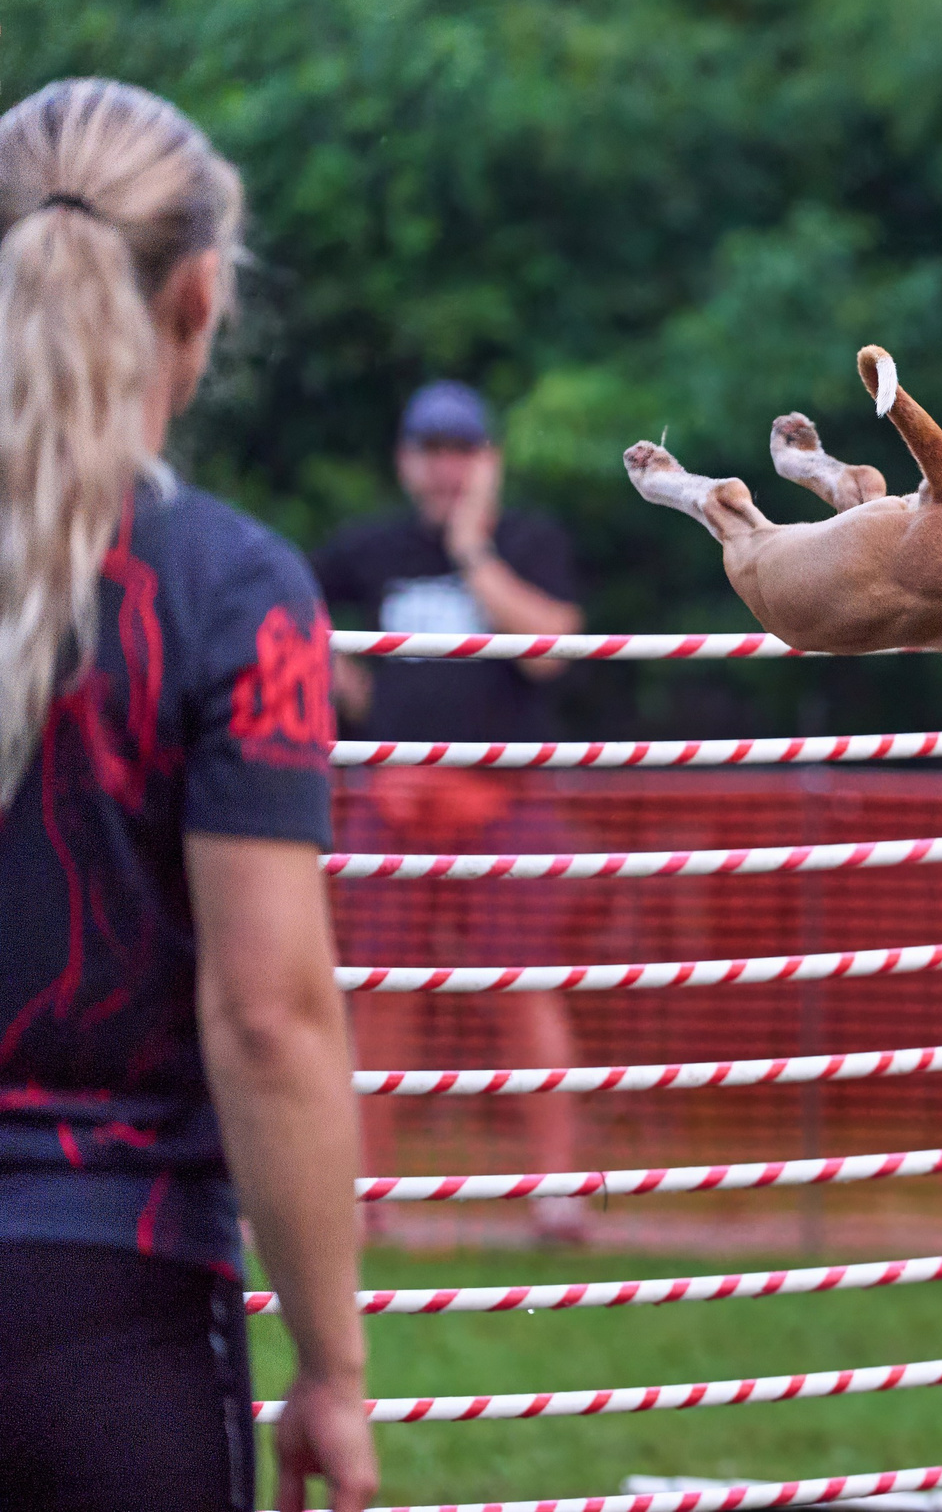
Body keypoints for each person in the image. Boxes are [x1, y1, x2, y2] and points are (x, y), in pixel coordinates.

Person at [0, 79, 375, 1509]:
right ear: (200, 297)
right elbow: (268, 1012)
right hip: (117, 1299)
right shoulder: (232, 591)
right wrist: (331, 1368)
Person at [312, 381, 591, 1242]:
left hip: (501, 806)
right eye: (430, 450)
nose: (445, 467)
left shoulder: (528, 541)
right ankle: (367, 1197)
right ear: (405, 459)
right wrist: (342, 680)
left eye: (462, 450)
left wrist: (473, 552)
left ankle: (558, 1194)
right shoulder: (370, 547)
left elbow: (553, 648)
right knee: (380, 998)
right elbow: (291, 608)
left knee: (523, 991)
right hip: (391, 803)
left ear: (489, 460)